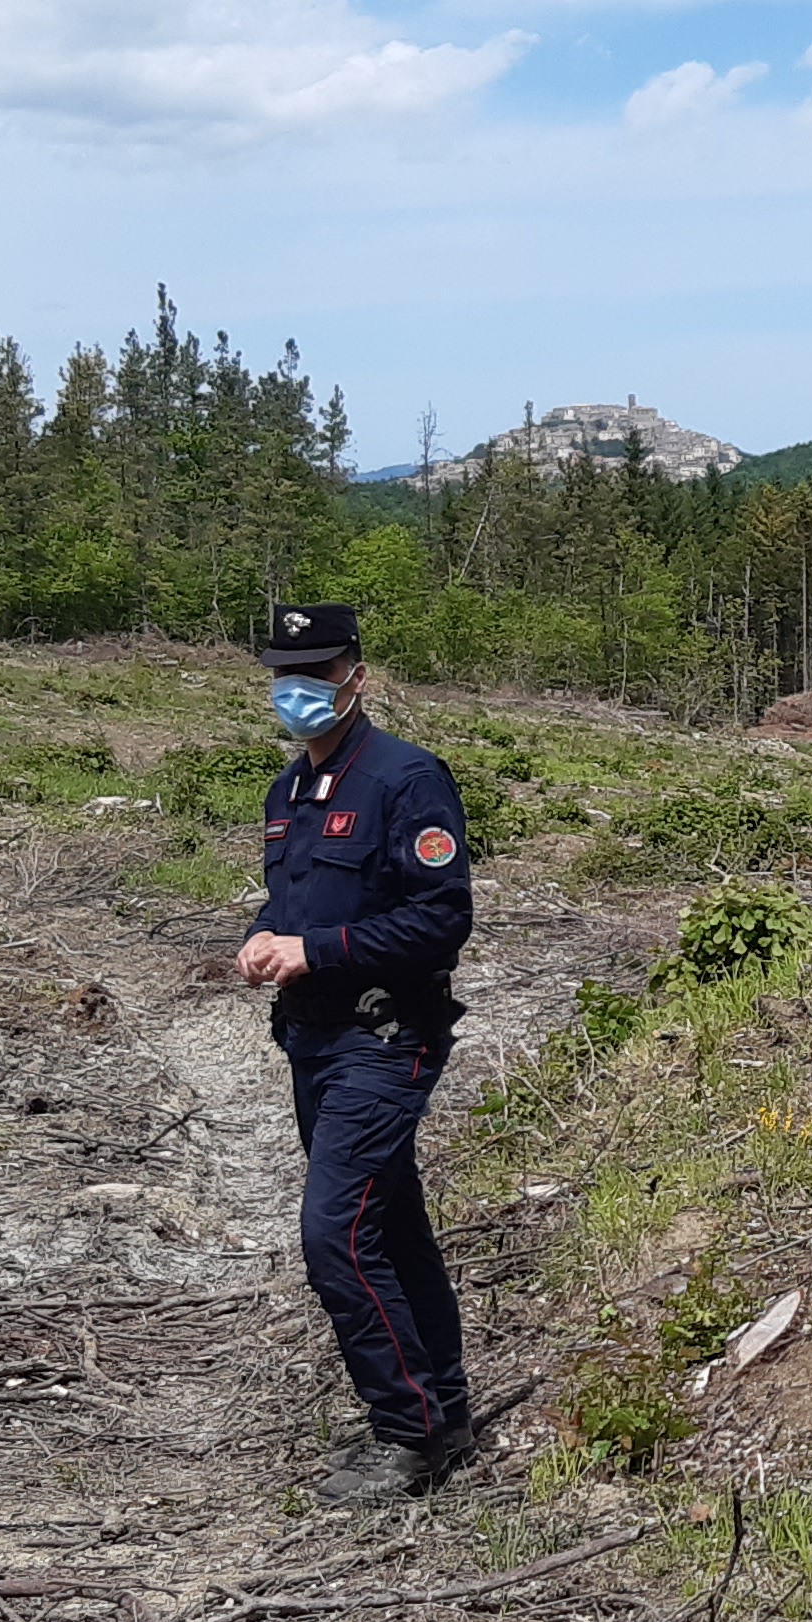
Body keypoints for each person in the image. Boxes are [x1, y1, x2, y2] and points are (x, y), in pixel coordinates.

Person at [229, 604, 480, 1505]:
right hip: (311, 1038)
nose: (296, 691)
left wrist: (319, 951)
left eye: (318, 672)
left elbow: (442, 915)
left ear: (356, 677)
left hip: (386, 1038)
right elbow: (293, 906)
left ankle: (406, 1433)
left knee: (334, 1235)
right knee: (389, 1227)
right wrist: (268, 937)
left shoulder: (407, 780)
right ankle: (443, 1411)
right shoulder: (288, 791)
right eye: (283, 673)